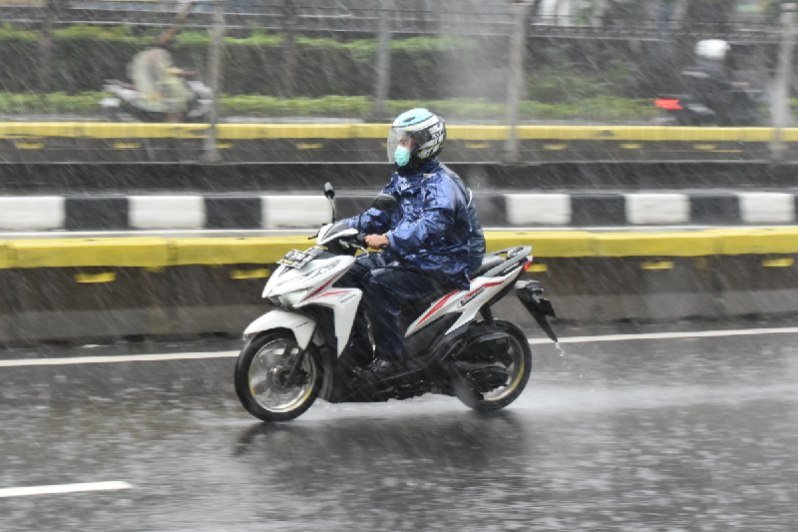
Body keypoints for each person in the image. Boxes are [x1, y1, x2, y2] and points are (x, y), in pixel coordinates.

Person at [337, 108, 486, 383]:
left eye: (407, 142)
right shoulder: (405, 177)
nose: (400, 147)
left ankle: (390, 360)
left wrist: (389, 239)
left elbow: (430, 226)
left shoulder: (442, 184)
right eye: (400, 140)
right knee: (348, 272)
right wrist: (342, 228)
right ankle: (357, 354)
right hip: (413, 256)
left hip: (442, 261)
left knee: (378, 283)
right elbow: (378, 215)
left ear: (425, 144)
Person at [128, 0, 195, 121]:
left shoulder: (148, 51)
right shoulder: (155, 51)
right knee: (176, 102)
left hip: (153, 90)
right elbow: (164, 72)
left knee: (173, 101)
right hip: (158, 91)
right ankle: (172, 126)